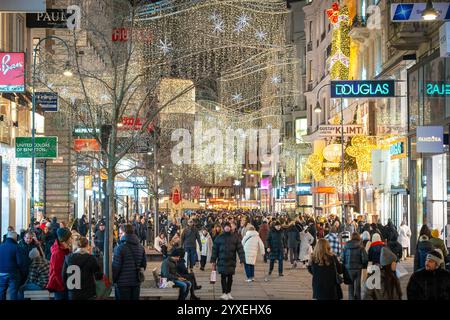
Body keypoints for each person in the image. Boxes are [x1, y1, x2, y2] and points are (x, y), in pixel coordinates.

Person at [211, 222, 245, 300]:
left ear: (230, 228)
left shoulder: (235, 237)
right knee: (223, 277)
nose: (227, 228)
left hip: (231, 260)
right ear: (224, 228)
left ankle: (228, 292)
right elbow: (215, 249)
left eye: (228, 227)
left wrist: (242, 259)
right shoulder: (219, 237)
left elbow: (240, 249)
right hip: (221, 260)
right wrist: (213, 259)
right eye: (225, 227)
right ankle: (224, 293)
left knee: (230, 277)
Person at [112, 224, 147, 300]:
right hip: (136, 283)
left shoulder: (120, 248)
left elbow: (116, 268)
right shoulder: (141, 248)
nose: (119, 236)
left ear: (125, 233)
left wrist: (113, 280)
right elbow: (143, 265)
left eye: (121, 233)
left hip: (122, 284)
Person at [46, 228, 72, 300]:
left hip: (63, 283)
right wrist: (63, 286)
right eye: (70, 237)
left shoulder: (62, 249)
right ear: (65, 239)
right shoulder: (57, 252)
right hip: (59, 285)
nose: (71, 239)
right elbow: (57, 272)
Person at [341, 232, 368, 300]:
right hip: (358, 268)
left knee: (350, 286)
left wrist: (344, 265)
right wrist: (364, 266)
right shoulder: (361, 246)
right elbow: (365, 258)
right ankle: (358, 298)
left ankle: (351, 298)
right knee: (358, 286)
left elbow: (342, 257)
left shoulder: (346, 245)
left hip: (348, 268)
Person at [0, 231, 24, 300]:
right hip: (13, 272)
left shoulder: (1, 246)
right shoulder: (16, 247)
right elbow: (20, 262)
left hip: (1, 272)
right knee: (13, 291)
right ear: (15, 238)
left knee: (1, 291)